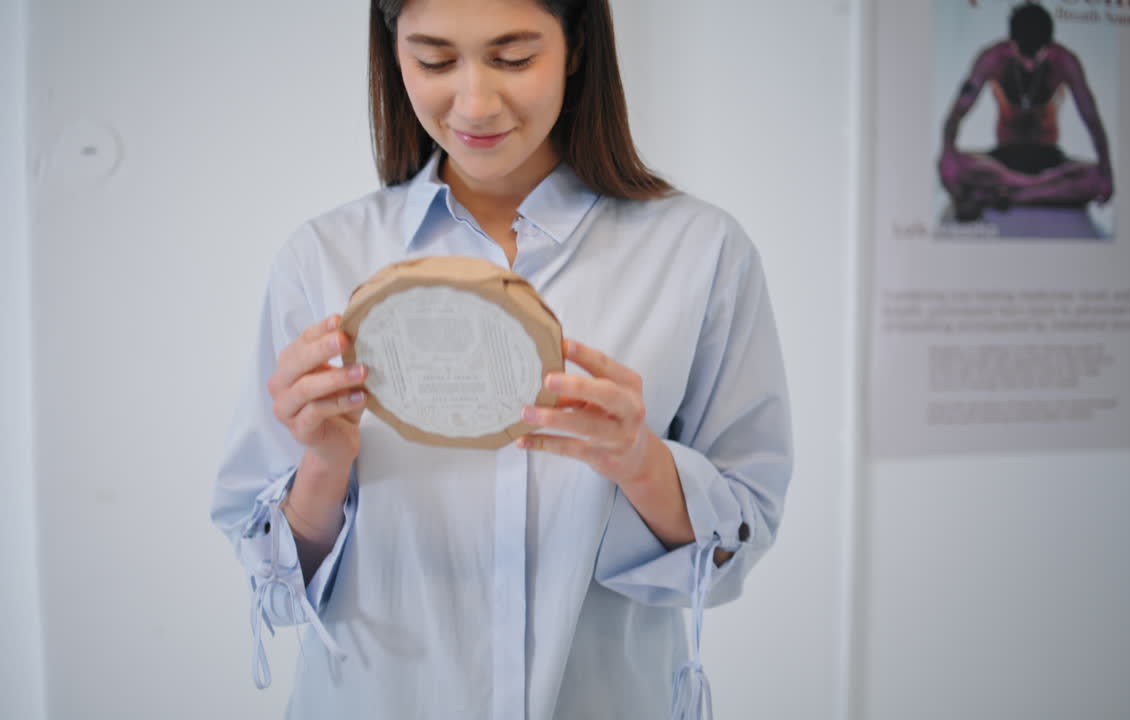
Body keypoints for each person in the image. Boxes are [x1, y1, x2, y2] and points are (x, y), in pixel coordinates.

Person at [211, 1, 792, 718]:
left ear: (576, 46)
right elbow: (270, 581)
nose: (475, 102)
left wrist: (638, 462)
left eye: (514, 58)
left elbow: (741, 535)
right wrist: (323, 466)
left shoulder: (700, 253)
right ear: (392, 53)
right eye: (434, 60)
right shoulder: (322, 258)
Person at [938, 2, 1114, 222]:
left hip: (1048, 159)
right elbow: (957, 112)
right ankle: (1036, 192)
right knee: (958, 164)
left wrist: (1106, 171)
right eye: (1024, 55)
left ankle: (1010, 195)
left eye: (1036, 56)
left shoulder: (1065, 62)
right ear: (1012, 44)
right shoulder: (992, 59)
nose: (1030, 65)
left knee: (1095, 177)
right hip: (1003, 162)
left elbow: (1092, 119)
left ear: (1048, 46)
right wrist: (947, 156)